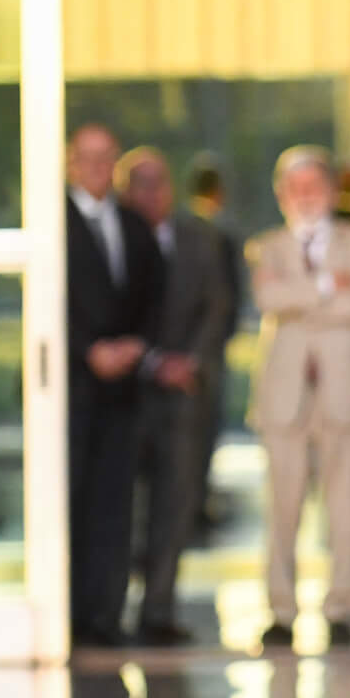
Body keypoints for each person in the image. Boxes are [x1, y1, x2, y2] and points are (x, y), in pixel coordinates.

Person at [248, 147, 350, 649]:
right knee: (281, 509)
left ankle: (342, 608)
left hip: (347, 394)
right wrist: (329, 285)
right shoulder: (266, 248)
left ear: (331, 191)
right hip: (285, 397)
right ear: (282, 195)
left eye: (314, 187)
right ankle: (280, 612)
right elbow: (268, 301)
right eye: (296, 189)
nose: (306, 198)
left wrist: (299, 296)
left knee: (347, 507)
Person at [119, 149, 234, 645]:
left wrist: (191, 361)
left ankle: (158, 609)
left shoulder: (200, 239)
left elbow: (219, 306)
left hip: (185, 393)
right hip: (124, 394)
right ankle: (105, 611)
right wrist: (147, 361)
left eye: (158, 182)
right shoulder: (113, 236)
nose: (150, 193)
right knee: (122, 510)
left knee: (176, 503)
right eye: (139, 183)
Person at [67, 124, 164, 648]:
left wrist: (134, 347)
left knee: (114, 506)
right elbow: (48, 301)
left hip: (122, 391)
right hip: (68, 390)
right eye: (87, 157)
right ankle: (69, 615)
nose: (97, 167)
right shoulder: (52, 222)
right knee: (72, 503)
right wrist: (88, 350)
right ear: (69, 162)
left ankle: (105, 615)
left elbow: (154, 296)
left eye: (107, 158)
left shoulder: (132, 226)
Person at [182, 155, 242, 537]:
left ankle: (190, 503)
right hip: (207, 346)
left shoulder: (179, 226)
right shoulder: (218, 232)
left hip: (184, 344)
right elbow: (228, 295)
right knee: (202, 428)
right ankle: (195, 504)